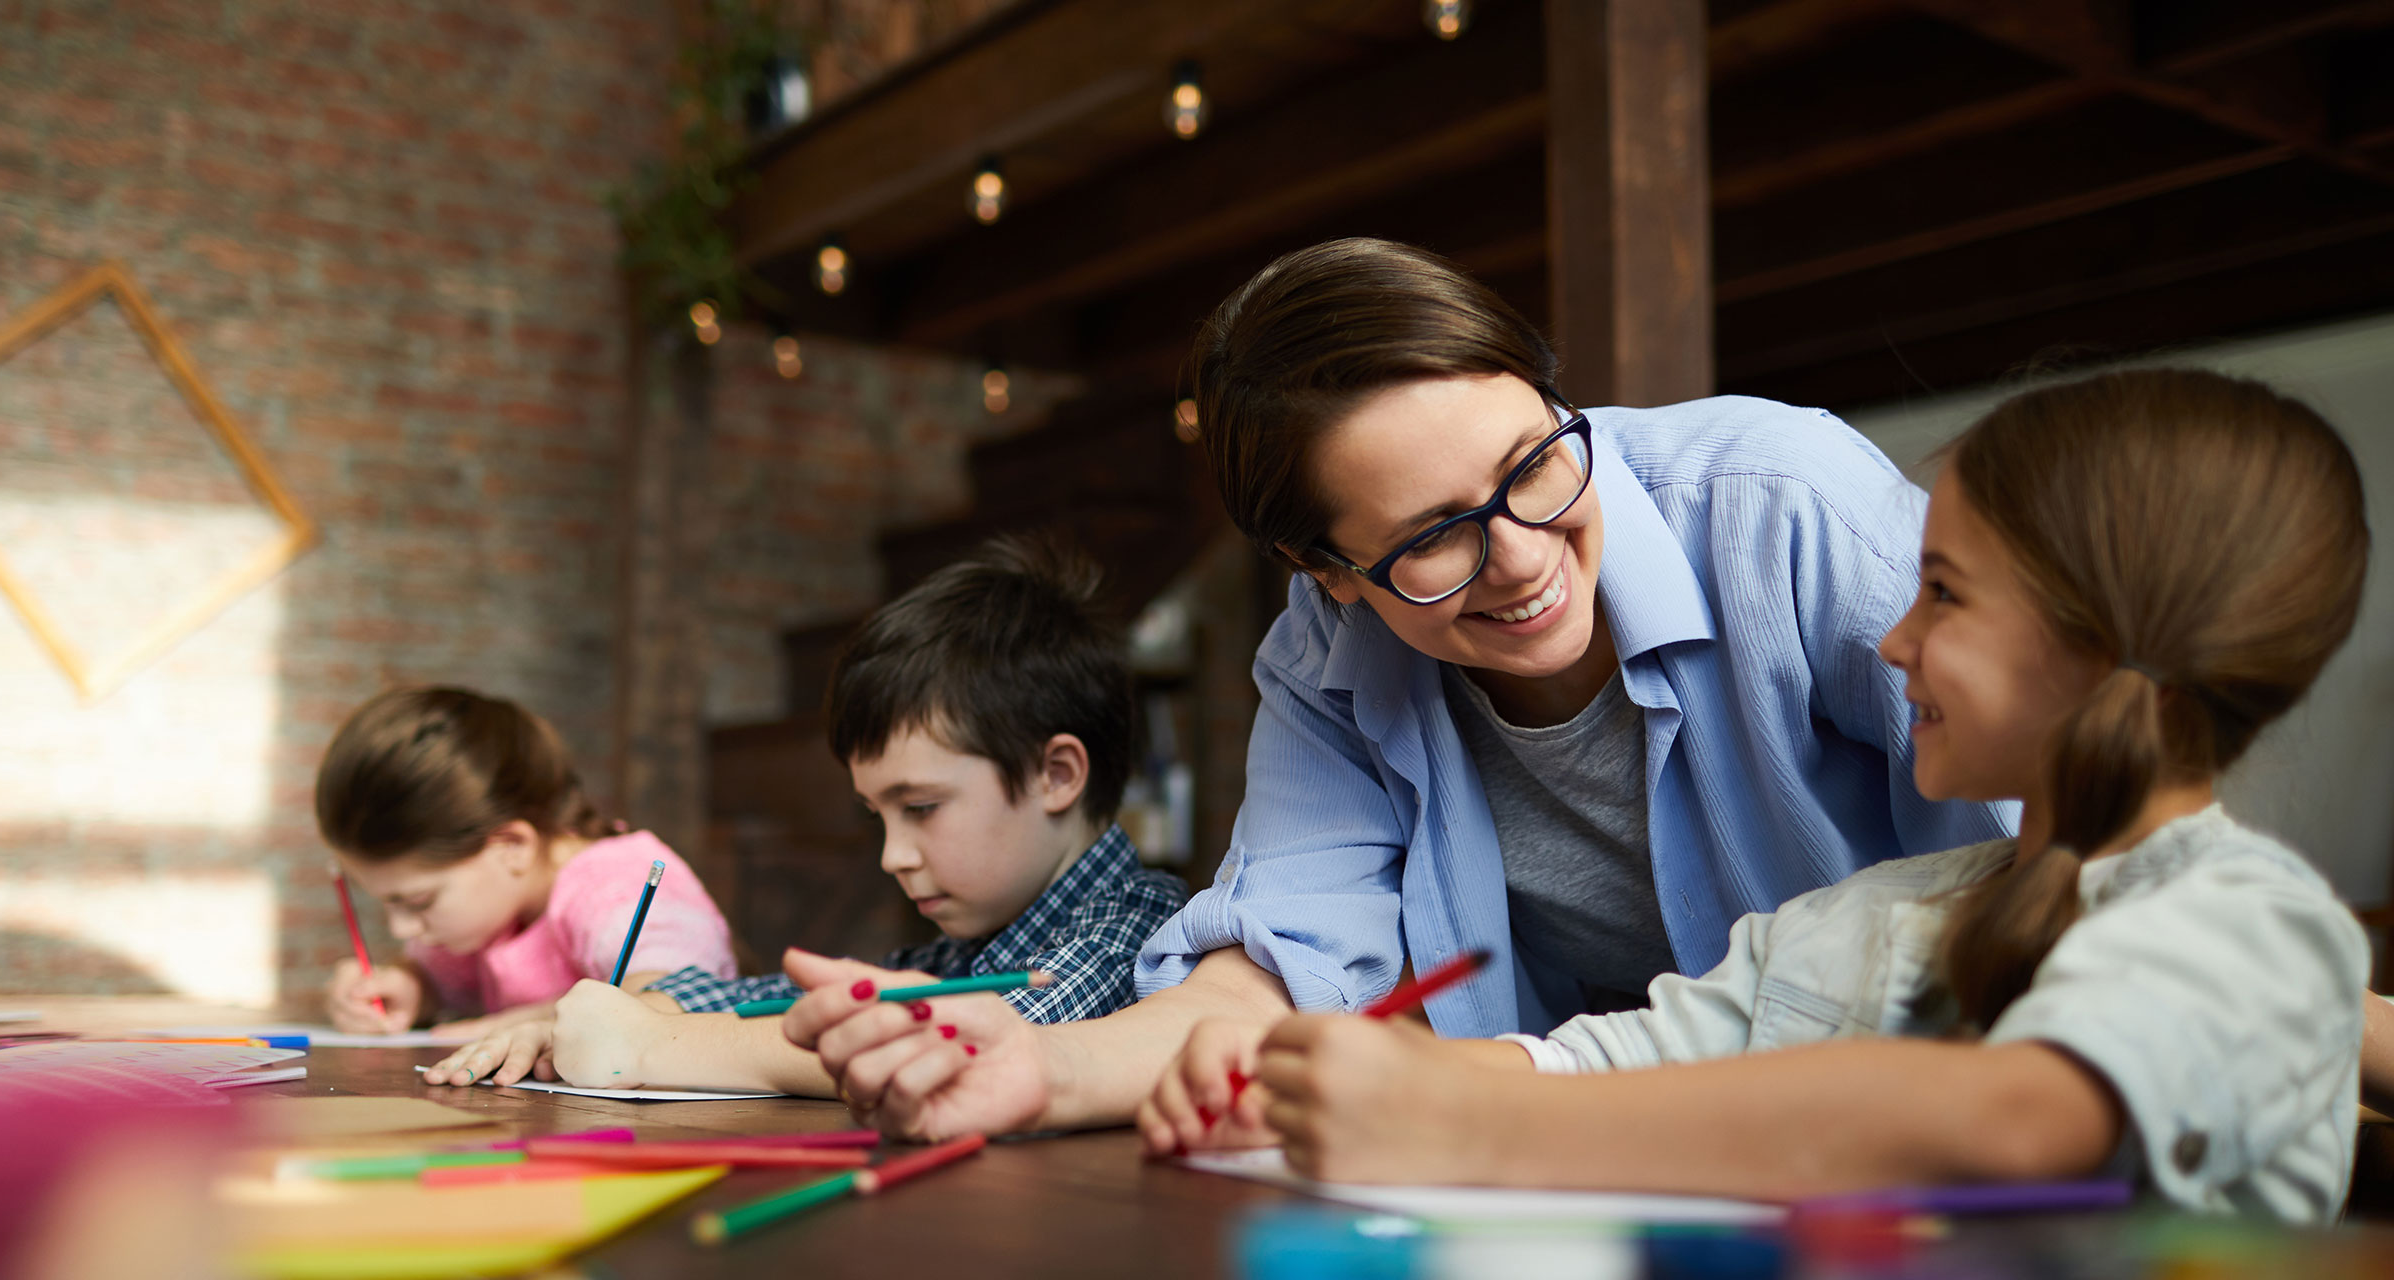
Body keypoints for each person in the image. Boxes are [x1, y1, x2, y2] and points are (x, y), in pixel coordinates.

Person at [785, 237, 2011, 1141]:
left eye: (1533, 462)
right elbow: (1277, 966)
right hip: (1609, 1143)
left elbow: (2072, 846)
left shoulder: (1786, 512)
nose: (1524, 554)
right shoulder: (1327, 658)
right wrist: (1040, 1069)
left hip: (1929, 1111)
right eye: (1434, 536)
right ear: (1324, 575)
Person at [1250, 369, 2370, 1222]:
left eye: (1942, 593)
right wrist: (1324, 1079)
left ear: (2093, 638)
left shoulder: (2249, 922)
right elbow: (1615, 1057)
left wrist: (1471, 1122)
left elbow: (2016, 1121)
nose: (1891, 638)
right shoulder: (1872, 916)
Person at [422, 537, 1188, 1095]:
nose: (893, 856)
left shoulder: (1135, 927)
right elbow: (781, 1001)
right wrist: (616, 1012)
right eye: (877, 816)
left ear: (1057, 774)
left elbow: (965, 1050)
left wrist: (654, 1045)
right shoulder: (971, 949)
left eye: (920, 807)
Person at [317, 686, 734, 1037]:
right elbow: (443, 983)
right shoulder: (490, 907)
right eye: (387, 902)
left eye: (420, 901)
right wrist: (408, 988)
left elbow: (673, 997)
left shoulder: (618, 885)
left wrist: (505, 1027)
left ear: (512, 846)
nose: (401, 928)